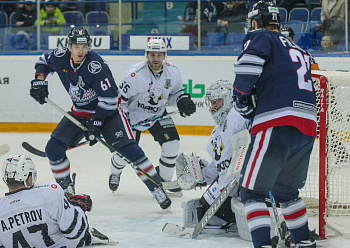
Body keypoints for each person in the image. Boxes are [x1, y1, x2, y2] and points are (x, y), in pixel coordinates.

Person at [29, 27, 172, 211]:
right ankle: (66, 189)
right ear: (69, 47)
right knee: (53, 150)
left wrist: (96, 124)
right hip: (80, 112)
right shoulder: (60, 56)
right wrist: (40, 80)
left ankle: (157, 188)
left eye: (84, 46)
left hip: (108, 113)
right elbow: (42, 62)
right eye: (76, 46)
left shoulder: (95, 66)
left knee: (130, 151)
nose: (80, 50)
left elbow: (111, 100)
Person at [232, 1, 317, 248]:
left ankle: (263, 245)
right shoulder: (299, 49)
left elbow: (246, 74)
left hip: (276, 123)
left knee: (251, 193)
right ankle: (305, 242)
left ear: (256, 22)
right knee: (286, 192)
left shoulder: (260, 36)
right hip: (307, 128)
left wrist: (241, 97)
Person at [114, 38, 196, 195]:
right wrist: (122, 119)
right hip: (134, 116)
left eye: (159, 55)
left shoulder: (173, 72)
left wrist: (182, 101)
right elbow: (121, 99)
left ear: (165, 55)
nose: (156, 59)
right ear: (146, 55)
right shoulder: (134, 74)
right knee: (123, 154)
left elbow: (176, 92)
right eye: (152, 55)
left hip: (158, 114)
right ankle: (115, 172)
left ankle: (163, 183)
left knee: (171, 146)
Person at [178, 79, 250, 230]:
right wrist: (201, 174)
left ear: (229, 99)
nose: (213, 107)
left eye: (217, 102)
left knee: (209, 213)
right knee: (201, 211)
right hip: (226, 187)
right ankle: (238, 219)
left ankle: (249, 216)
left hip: (242, 187)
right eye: (211, 103)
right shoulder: (215, 132)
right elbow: (219, 167)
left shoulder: (238, 117)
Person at [0, 154, 109, 246]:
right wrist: (78, 206)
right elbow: (75, 231)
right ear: (29, 178)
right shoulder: (50, 192)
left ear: (5, 180)